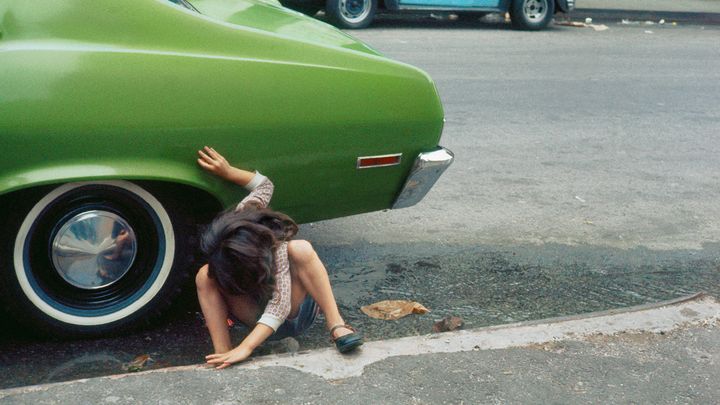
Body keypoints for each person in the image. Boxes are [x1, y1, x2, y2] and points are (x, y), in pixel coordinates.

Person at [195, 146, 363, 369]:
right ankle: (222, 352)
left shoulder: (278, 250)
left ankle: (336, 325)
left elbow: (279, 306)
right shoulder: (246, 213)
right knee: (205, 275)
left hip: (291, 316)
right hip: (252, 314)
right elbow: (265, 185)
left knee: (301, 249)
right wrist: (228, 172)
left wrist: (247, 347)